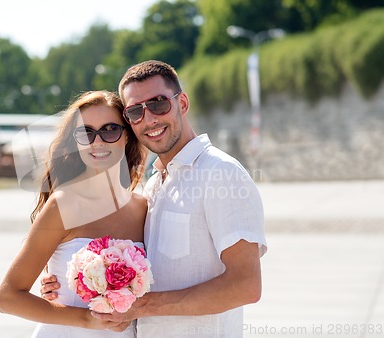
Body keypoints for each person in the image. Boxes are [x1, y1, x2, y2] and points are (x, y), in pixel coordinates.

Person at [41, 60, 267, 337]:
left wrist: (141, 307)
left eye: (159, 103)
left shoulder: (221, 173)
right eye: (135, 111)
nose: (149, 119)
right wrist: (70, 281)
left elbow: (245, 285)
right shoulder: (153, 187)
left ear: (182, 103)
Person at [0, 90, 148, 337]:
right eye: (86, 132)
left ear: (127, 136)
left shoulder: (143, 208)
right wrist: (87, 319)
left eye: (110, 130)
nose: (97, 142)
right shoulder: (64, 204)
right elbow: (8, 297)